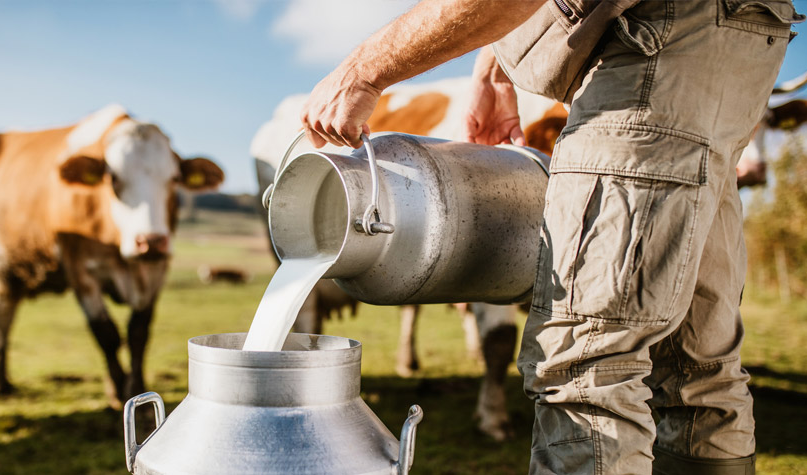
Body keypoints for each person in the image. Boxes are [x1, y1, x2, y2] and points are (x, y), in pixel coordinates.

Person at [299, 0, 801, 473]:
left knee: (586, 365)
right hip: (720, 42)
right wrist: (495, 68)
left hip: (649, 51)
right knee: (692, 363)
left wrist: (362, 68)